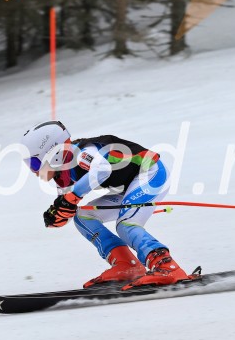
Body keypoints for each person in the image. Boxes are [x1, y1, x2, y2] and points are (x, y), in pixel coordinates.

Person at [20, 120, 191, 290]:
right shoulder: (62, 174)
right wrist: (57, 215)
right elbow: (68, 207)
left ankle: (167, 267)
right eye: (30, 166)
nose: (35, 172)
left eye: (34, 163)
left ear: (52, 151)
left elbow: (102, 171)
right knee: (84, 217)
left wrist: (71, 198)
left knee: (126, 225)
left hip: (151, 174)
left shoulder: (83, 153)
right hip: (129, 186)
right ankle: (127, 265)